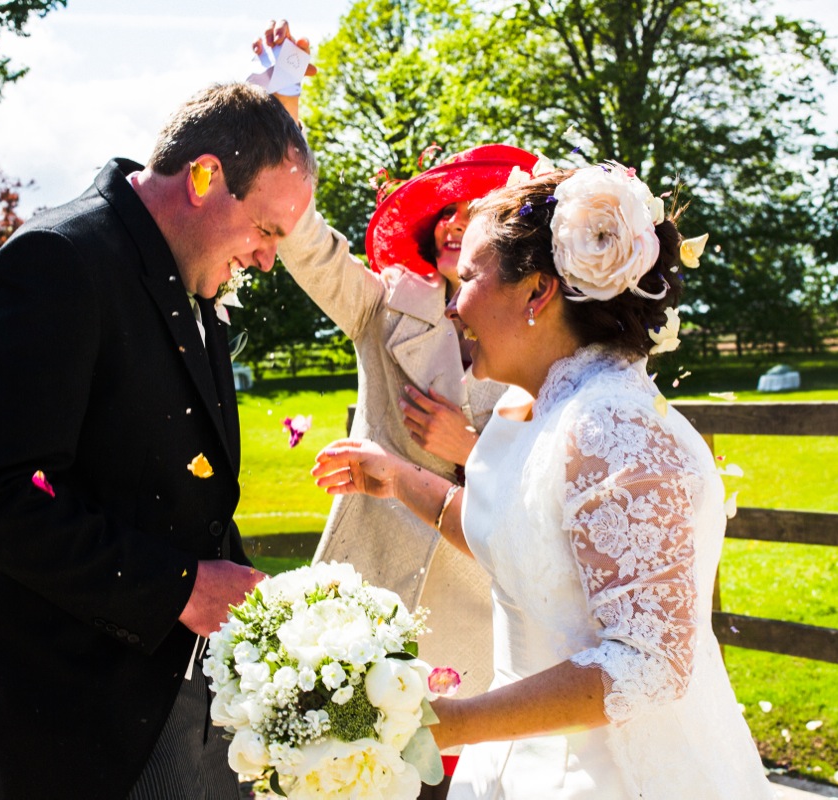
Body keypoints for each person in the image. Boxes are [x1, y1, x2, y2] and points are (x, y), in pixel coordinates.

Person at [312, 164, 774, 798]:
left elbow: (649, 664)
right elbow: (519, 538)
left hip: (608, 776)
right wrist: (396, 479)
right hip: (513, 764)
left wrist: (454, 723)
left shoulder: (616, 429)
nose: (453, 304)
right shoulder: (526, 405)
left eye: (470, 279)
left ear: (537, 292)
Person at [0, 82, 314, 799]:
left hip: (183, 705)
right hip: (77, 724)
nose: (267, 260)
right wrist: (179, 587)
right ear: (203, 177)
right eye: (265, 230)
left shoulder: (191, 276)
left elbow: (181, 492)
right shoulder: (56, 262)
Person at [260, 19, 525, 715]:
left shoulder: (545, 333)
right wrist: (286, 105)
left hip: (482, 607)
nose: (453, 222)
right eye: (447, 211)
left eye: (477, 213)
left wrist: (468, 448)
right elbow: (306, 242)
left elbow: (561, 469)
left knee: (453, 766)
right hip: (368, 590)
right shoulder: (382, 309)